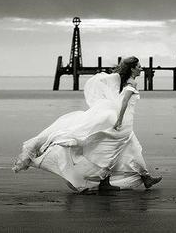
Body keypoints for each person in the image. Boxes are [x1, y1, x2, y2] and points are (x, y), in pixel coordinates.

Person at [12, 56, 162, 192]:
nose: (141, 68)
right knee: (115, 151)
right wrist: (119, 120)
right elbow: (124, 103)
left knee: (131, 148)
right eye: (139, 66)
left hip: (124, 121)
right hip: (123, 122)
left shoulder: (122, 82)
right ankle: (106, 181)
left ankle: (145, 177)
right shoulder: (132, 83)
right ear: (132, 68)